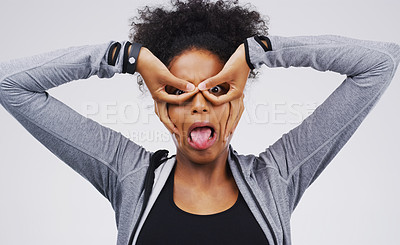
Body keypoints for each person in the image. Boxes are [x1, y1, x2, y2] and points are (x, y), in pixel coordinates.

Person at [0, 0, 399, 244]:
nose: (199, 104)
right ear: (161, 107)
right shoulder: (130, 175)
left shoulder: (277, 175)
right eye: (178, 91)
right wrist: (128, 57)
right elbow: (9, 84)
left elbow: (379, 64)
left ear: (237, 103)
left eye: (218, 88)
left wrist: (259, 52)